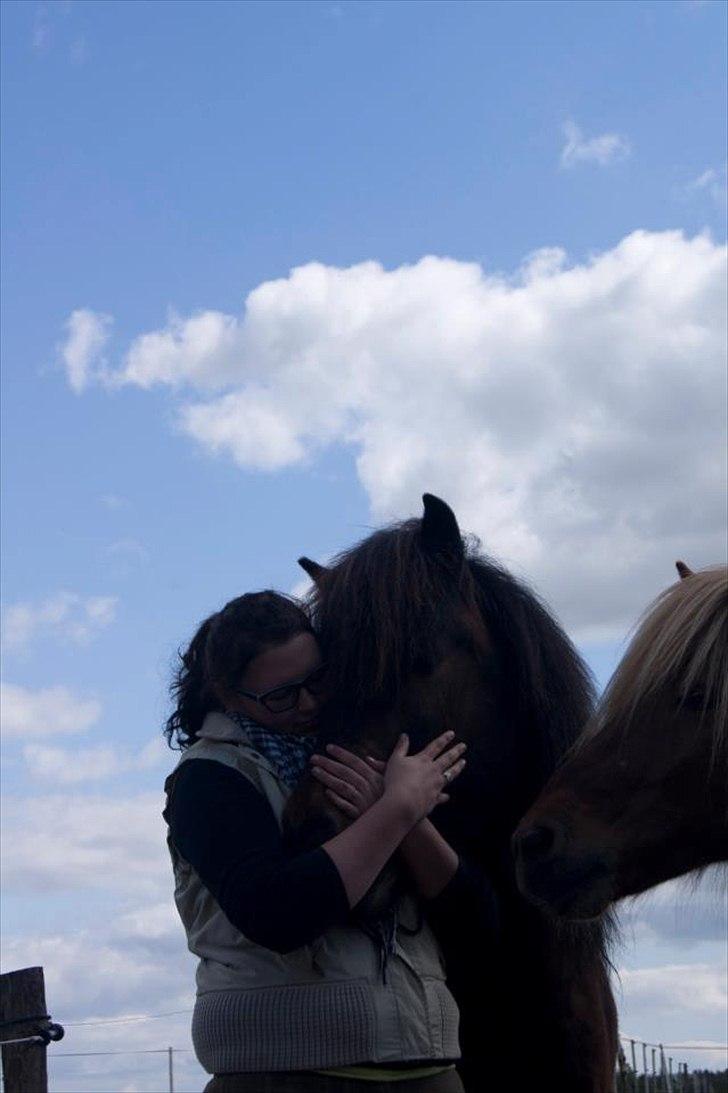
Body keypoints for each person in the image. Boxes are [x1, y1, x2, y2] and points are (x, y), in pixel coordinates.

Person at [163, 590, 476, 1093]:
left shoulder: (375, 758)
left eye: (317, 679)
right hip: (285, 1075)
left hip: (428, 1066)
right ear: (229, 695)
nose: (308, 703)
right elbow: (278, 914)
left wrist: (409, 815)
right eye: (281, 696)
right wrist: (396, 811)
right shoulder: (208, 778)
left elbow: (475, 921)